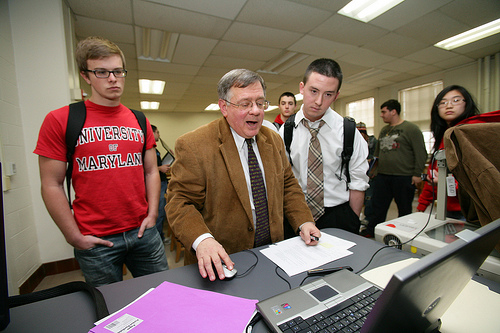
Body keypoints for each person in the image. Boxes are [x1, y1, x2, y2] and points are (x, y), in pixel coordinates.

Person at [34, 36, 169, 287]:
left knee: (162, 294)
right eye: (101, 72)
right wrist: (73, 236)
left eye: (118, 71)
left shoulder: (139, 120)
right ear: (86, 76)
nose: (112, 78)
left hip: (143, 233)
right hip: (96, 240)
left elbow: (151, 172)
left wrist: (152, 214)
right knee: (109, 311)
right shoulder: (61, 119)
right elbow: (51, 184)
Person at [166, 69, 321, 281]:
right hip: (224, 262)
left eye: (260, 102)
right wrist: (202, 240)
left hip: (273, 256)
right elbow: (180, 203)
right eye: (245, 104)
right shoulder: (194, 145)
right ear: (224, 107)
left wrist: (304, 221)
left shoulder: (273, 140)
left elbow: (288, 186)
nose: (256, 111)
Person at [279, 58, 369, 236]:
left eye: (328, 94)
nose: (319, 101)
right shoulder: (286, 131)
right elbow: (283, 181)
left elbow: (358, 182)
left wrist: (352, 219)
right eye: (313, 91)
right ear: (302, 88)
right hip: (297, 214)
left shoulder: (349, 131)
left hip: (337, 215)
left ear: (336, 95)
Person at [362, 99, 427, 237]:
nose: (381, 115)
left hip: (403, 176)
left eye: (384, 112)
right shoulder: (385, 130)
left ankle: (404, 235)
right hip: (383, 176)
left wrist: (417, 174)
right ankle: (372, 231)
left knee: (404, 208)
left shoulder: (411, 129)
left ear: (393, 111)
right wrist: (374, 172)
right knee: (378, 207)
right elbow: (378, 154)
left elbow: (421, 152)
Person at [416, 85, 479, 218]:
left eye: (456, 100)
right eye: (443, 102)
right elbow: (433, 176)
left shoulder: (473, 133)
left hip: (473, 210)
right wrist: (421, 206)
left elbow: (482, 179)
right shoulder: (444, 137)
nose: (448, 106)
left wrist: (447, 183)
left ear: (467, 104)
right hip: (447, 207)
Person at [152, 125, 171, 242]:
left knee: (162, 212)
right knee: (158, 212)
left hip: (163, 181)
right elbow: (144, 168)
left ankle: (161, 236)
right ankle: (158, 239)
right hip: (157, 184)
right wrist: (160, 168)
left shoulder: (155, 149)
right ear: (152, 133)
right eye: (157, 132)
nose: (159, 135)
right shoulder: (147, 149)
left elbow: (156, 163)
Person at [356, 122, 377, 225]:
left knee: (369, 199)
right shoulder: (353, 142)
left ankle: (368, 220)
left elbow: (377, 158)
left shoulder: (373, 142)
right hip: (357, 175)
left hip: (370, 175)